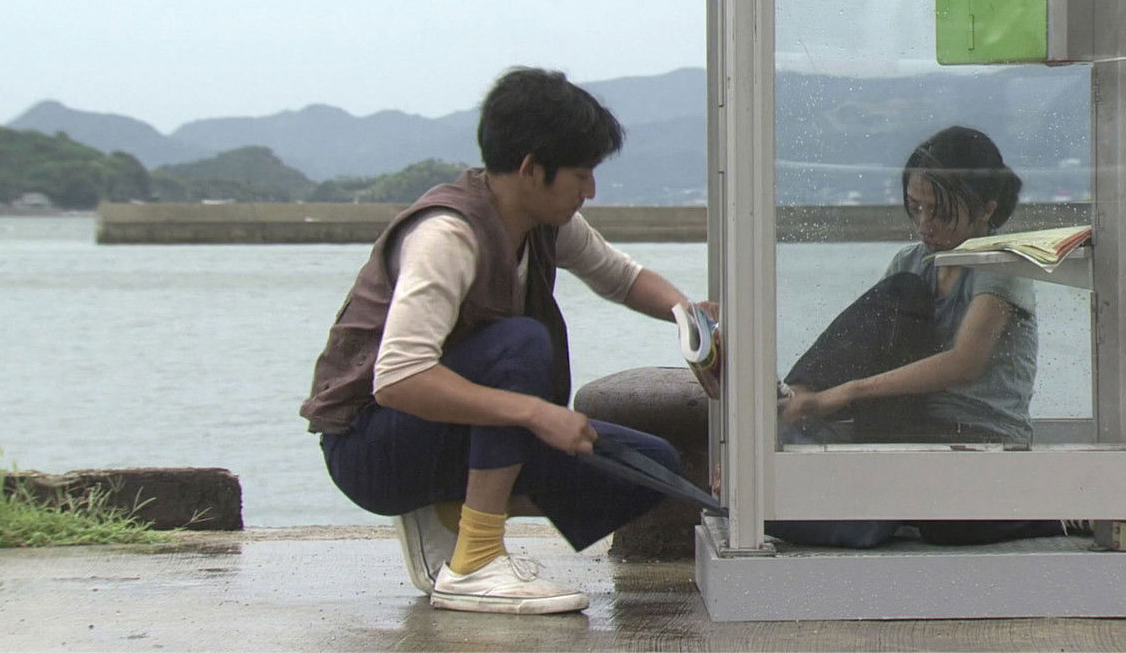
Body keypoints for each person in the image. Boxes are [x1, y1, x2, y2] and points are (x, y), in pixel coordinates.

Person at [299, 67, 705, 615]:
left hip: (451, 432)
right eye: (581, 173)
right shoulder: (447, 235)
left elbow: (620, 276)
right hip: (371, 446)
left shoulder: (545, 222)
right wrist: (536, 413)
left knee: (649, 466)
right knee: (520, 342)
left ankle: (448, 513)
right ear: (531, 169)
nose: (590, 190)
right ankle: (475, 560)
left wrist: (691, 318)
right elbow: (398, 379)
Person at [772, 125, 1061, 548]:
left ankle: (1056, 514)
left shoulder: (1002, 265)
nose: (925, 225)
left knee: (950, 526)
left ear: (986, 209)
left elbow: (965, 362)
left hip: (980, 437)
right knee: (899, 289)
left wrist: (846, 392)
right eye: (916, 208)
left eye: (939, 213)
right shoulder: (912, 262)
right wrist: (816, 396)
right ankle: (789, 402)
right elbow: (866, 341)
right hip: (915, 424)